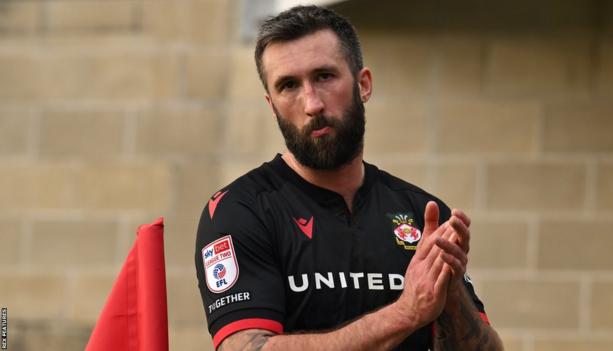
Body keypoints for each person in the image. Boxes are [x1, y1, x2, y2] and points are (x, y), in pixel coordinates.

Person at [195, 5, 504, 351]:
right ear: (271, 104)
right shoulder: (241, 210)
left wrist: (449, 293)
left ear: (363, 84)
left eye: (324, 77)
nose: (312, 104)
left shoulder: (421, 212)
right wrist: (405, 312)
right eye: (288, 86)